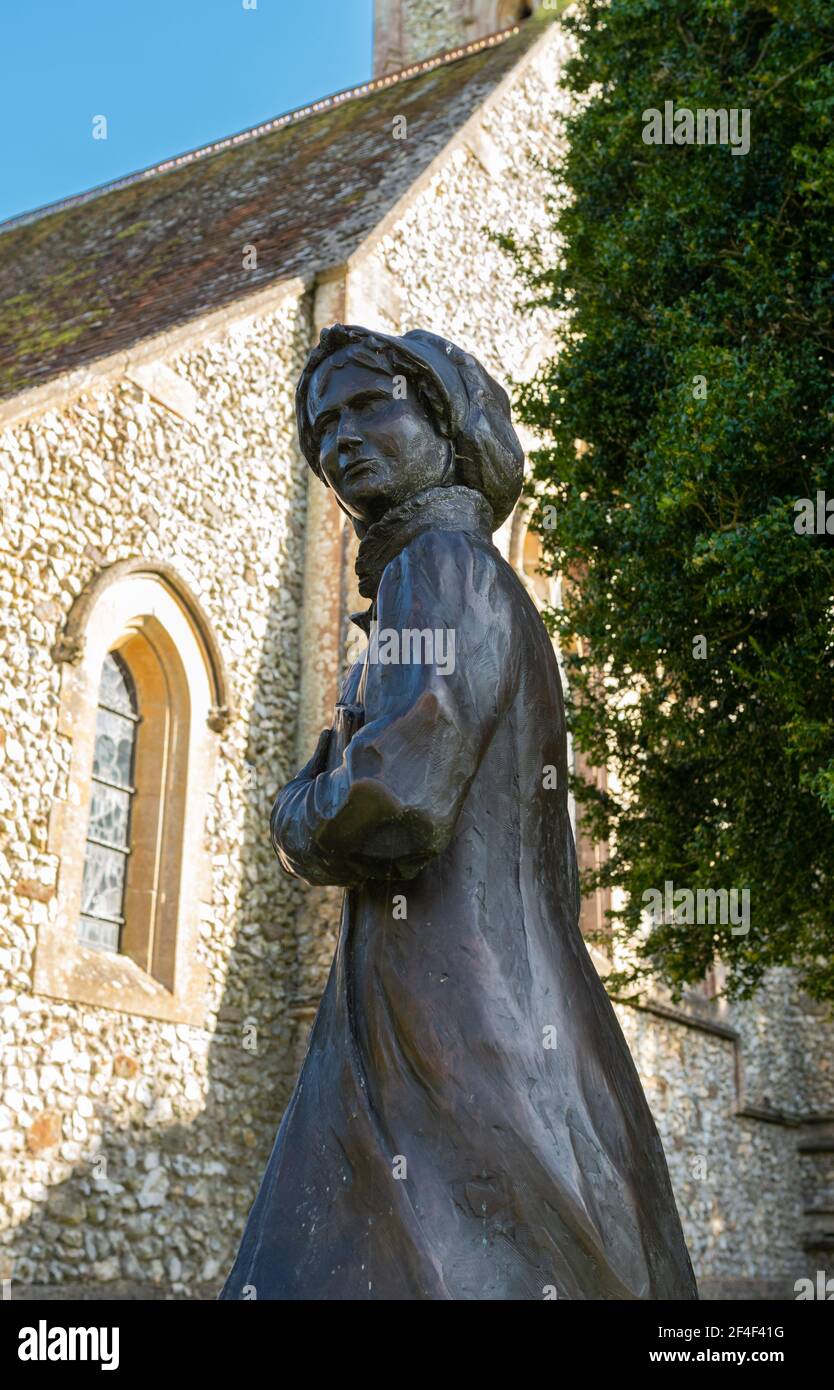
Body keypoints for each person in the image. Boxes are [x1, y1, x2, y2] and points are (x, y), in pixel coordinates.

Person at [220, 324, 698, 1300]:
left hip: (440, 1015)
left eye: (368, 406)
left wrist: (295, 812)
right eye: (322, 429)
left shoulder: (434, 567)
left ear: (443, 420)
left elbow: (394, 801)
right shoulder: (466, 575)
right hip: (488, 1007)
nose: (340, 440)